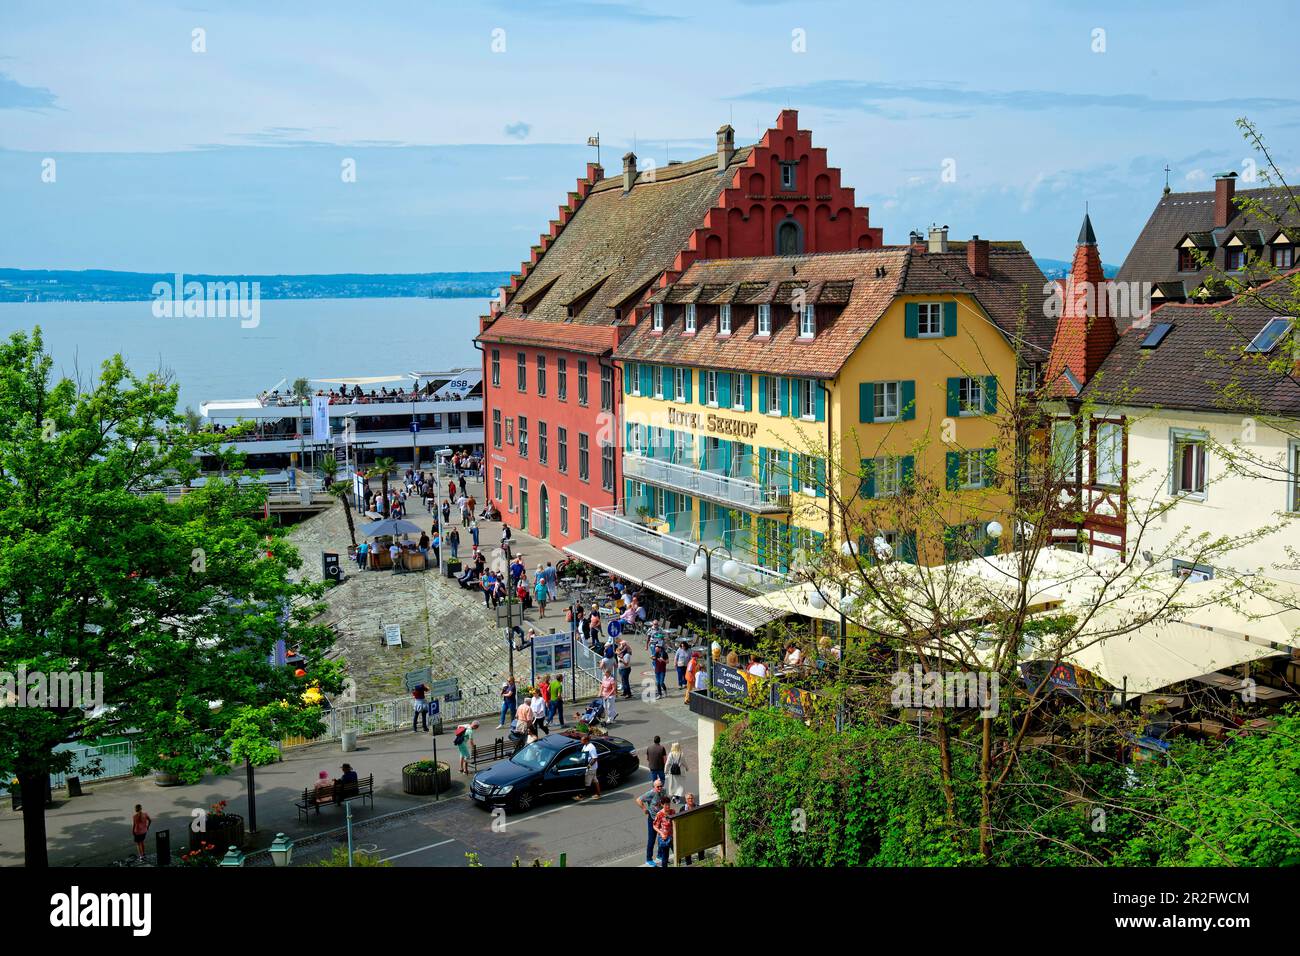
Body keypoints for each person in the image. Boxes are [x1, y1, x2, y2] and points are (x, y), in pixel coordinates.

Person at [635, 779, 670, 866]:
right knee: (652, 839)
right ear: (654, 787)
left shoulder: (663, 790)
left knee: (662, 837)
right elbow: (638, 800)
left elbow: (665, 801)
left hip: (661, 818)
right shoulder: (650, 794)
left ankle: (660, 855)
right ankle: (649, 859)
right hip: (653, 819)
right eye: (657, 786)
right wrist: (644, 809)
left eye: (661, 786)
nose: (660, 788)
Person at [576, 733, 601, 801]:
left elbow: (594, 758)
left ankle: (581, 796)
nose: (581, 741)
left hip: (591, 768)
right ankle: (598, 794)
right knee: (595, 780)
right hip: (589, 767)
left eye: (582, 740)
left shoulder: (591, 747)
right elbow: (584, 755)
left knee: (587, 783)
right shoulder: (585, 746)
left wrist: (588, 766)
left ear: (586, 740)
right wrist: (579, 760)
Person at [653, 803, 676, 867]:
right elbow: (655, 826)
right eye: (666, 805)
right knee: (665, 856)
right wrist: (661, 833)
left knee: (677, 853)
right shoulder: (659, 814)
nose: (668, 806)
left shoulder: (672, 811)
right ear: (662, 805)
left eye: (669, 804)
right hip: (665, 838)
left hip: (673, 836)